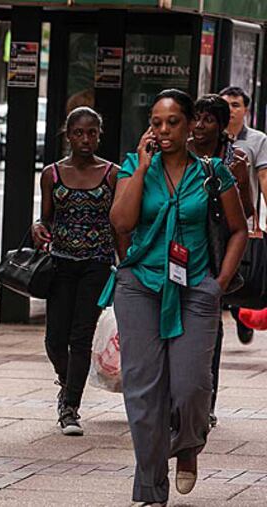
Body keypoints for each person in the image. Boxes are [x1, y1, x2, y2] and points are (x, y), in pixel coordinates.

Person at [101, 89, 247, 505]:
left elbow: (238, 228)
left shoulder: (212, 171)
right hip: (141, 287)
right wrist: (144, 166)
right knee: (144, 392)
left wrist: (218, 282)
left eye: (173, 122)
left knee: (191, 387)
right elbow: (121, 223)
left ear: (190, 126)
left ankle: (187, 445)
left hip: (195, 288)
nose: (163, 130)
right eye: (157, 122)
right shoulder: (134, 166)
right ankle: (150, 487)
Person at [32, 107, 118, 435]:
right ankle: (67, 382)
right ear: (68, 135)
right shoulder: (52, 174)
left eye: (92, 132)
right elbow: (46, 218)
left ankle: (70, 407)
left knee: (80, 337)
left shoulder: (112, 173)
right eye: (79, 133)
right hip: (60, 263)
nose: (86, 139)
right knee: (55, 339)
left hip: (96, 264)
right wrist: (39, 227)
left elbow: (120, 222)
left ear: (99, 134)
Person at [189, 94, 253, 428]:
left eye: (208, 119)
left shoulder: (235, 160)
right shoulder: (178, 153)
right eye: (196, 118)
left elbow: (247, 213)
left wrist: (237, 183)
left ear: (221, 124)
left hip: (213, 256)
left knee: (209, 334)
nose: (200, 126)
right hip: (177, 250)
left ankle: (205, 401)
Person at [219, 86, 267, 344]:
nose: (231, 110)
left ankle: (241, 316)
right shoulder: (211, 137)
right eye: (226, 104)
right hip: (215, 221)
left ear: (245, 109)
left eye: (236, 104)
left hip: (244, 221)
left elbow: (264, 177)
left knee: (242, 272)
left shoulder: (257, 140)